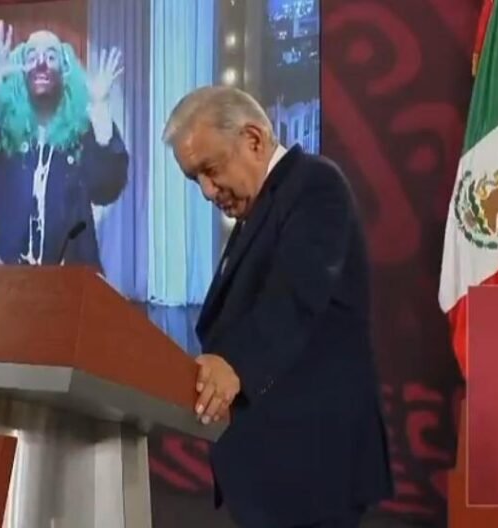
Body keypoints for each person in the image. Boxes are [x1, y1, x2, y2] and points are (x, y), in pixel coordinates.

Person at [162, 86, 393, 528]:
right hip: (275, 473)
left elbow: (295, 294)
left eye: (211, 169)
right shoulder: (262, 208)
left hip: (312, 468)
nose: (207, 191)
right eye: (196, 180)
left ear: (253, 139)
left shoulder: (315, 185)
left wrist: (235, 364)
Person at [0, 22, 128, 269]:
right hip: (4, 270)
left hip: (68, 275)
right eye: (32, 56)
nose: (41, 63)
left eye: (51, 56)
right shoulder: (3, 124)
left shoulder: (84, 129)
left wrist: (100, 110)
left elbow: (106, 190)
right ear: (22, 72)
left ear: (65, 72)